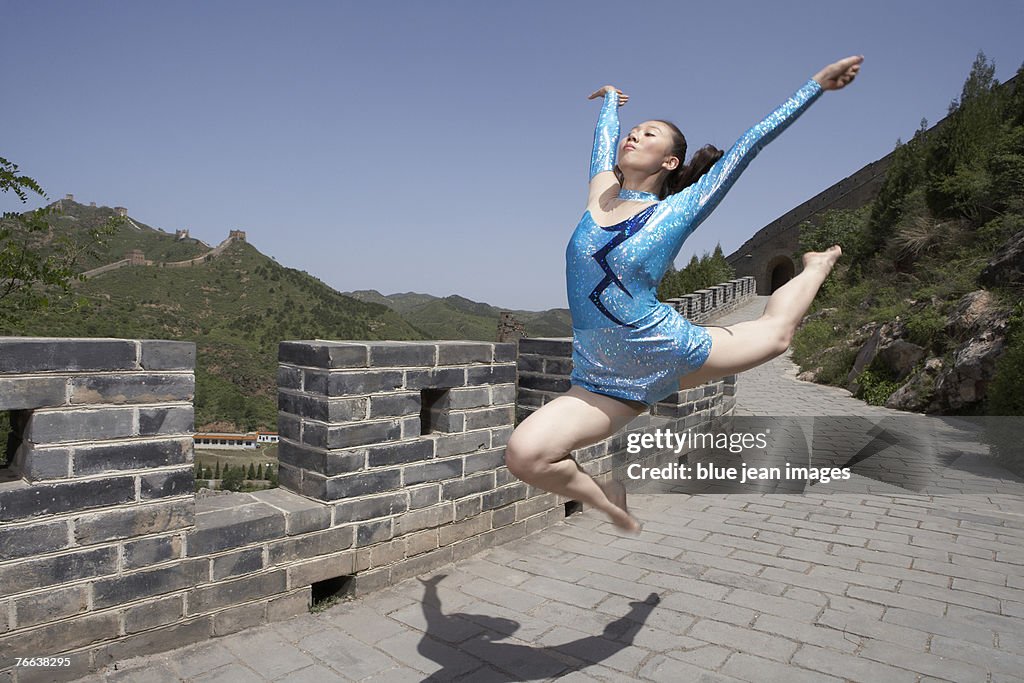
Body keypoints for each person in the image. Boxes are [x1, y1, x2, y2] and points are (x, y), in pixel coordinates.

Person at [504, 56, 864, 533]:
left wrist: (815, 86)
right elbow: (601, 145)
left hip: (666, 348)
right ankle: (608, 501)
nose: (635, 135)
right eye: (633, 131)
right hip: (601, 377)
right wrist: (611, 102)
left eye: (649, 134)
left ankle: (817, 266)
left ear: (670, 161)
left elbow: (750, 143)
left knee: (776, 336)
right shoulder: (600, 194)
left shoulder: (677, 210)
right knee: (525, 456)